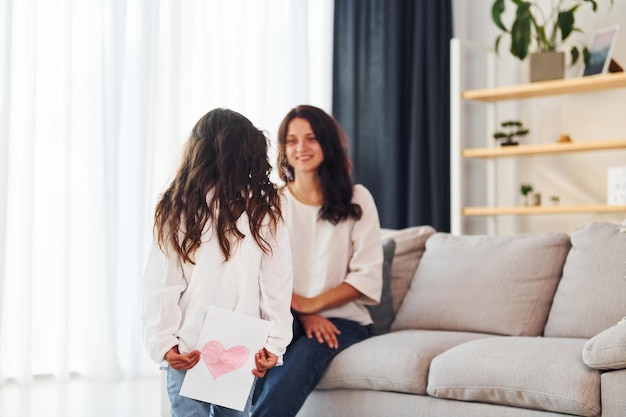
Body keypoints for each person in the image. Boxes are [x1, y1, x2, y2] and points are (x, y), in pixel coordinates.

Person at [142, 108, 294, 417]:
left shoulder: (176, 207)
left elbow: (162, 285)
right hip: (240, 344)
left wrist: (163, 342)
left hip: (188, 344)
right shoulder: (264, 209)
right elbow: (276, 285)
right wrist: (275, 343)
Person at [251, 105, 383, 417]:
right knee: (255, 359)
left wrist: (313, 305)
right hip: (285, 313)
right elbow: (260, 273)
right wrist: (304, 311)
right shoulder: (271, 203)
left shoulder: (357, 198)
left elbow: (366, 274)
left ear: (327, 143)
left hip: (343, 319)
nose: (301, 148)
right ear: (283, 148)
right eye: (292, 140)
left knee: (295, 365)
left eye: (311, 139)